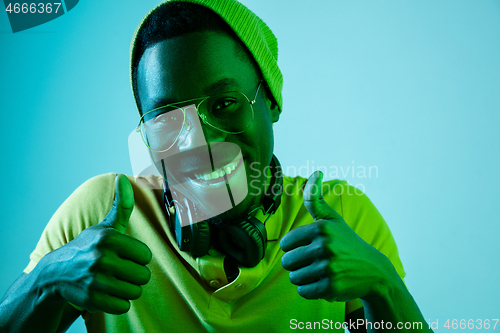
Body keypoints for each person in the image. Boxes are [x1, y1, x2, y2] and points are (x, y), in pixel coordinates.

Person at [0, 0, 432, 332]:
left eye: (225, 104)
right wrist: (47, 281)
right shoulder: (103, 212)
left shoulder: (342, 214)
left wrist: (383, 286)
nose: (200, 143)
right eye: (169, 119)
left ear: (271, 102)